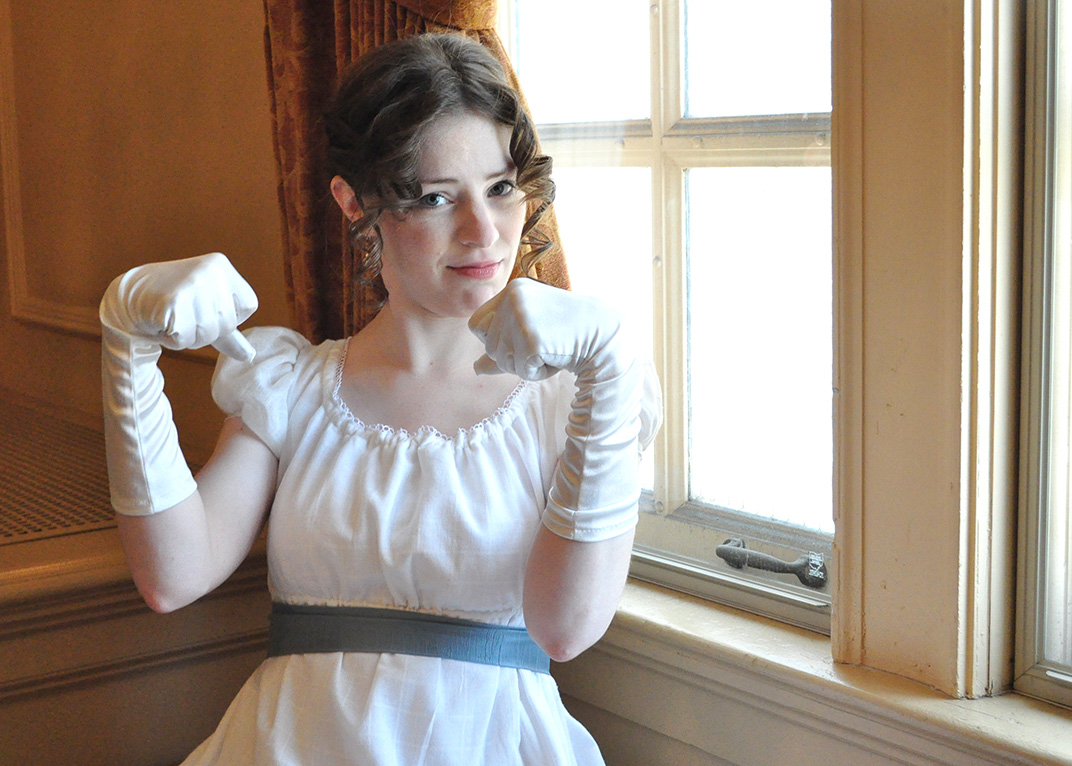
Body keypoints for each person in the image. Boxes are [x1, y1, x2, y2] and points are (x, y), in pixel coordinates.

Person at [98, 33, 661, 765]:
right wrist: (127, 346)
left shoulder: (572, 401)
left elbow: (566, 629)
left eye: (500, 187)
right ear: (355, 202)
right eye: (435, 198)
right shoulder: (292, 385)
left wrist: (613, 365)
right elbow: (172, 578)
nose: (483, 231)